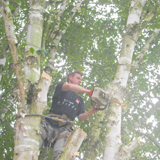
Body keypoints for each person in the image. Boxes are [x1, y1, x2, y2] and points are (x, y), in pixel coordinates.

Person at [40, 71, 99, 160]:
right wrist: (89, 92)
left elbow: (81, 117)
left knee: (60, 155)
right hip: (48, 123)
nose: (80, 81)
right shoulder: (61, 87)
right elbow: (69, 86)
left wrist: (91, 111)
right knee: (33, 145)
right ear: (70, 78)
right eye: (78, 78)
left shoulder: (80, 100)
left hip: (64, 128)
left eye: (80, 79)